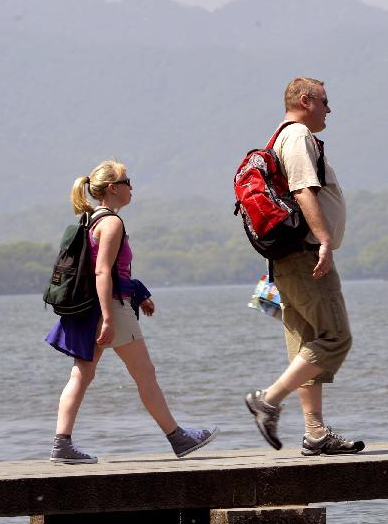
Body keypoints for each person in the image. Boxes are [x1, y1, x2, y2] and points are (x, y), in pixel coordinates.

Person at [45, 159, 217, 463]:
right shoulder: (111, 222)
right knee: (145, 374)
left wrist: (137, 293)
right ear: (113, 188)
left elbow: (111, 271)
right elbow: (101, 273)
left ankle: (62, 444)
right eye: (127, 182)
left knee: (82, 375)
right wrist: (109, 318)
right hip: (110, 309)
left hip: (91, 309)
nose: (131, 187)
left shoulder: (92, 220)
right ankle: (178, 438)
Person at [245, 78, 364, 456]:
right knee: (335, 337)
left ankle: (315, 432)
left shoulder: (285, 136)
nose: (330, 110)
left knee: (306, 346)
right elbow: (302, 190)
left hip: (289, 259)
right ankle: (268, 400)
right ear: (304, 100)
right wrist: (324, 241)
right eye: (325, 102)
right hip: (305, 255)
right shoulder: (297, 136)